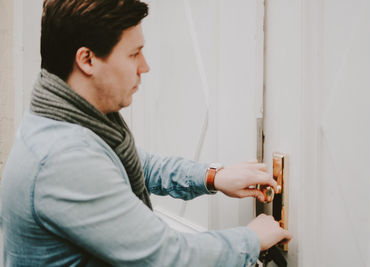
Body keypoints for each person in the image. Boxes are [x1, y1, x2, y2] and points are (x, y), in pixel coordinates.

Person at [1, 0, 292, 266]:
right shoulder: (63, 158)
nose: (145, 66)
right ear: (87, 60)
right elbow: (166, 257)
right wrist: (251, 239)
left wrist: (214, 177)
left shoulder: (66, 118)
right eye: (134, 54)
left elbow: (141, 167)